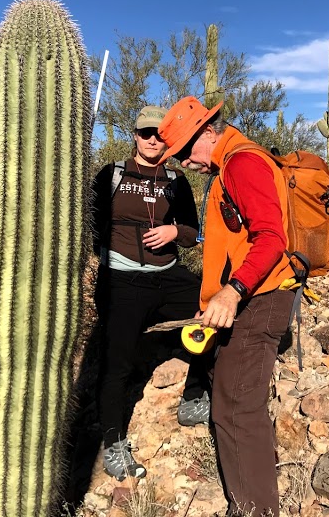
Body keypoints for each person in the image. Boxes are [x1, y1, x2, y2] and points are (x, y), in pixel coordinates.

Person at [158, 97, 294, 517]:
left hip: (259, 299)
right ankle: (252, 489)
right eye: (175, 155)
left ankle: (255, 509)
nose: (182, 161)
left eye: (184, 150)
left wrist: (232, 291)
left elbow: (272, 237)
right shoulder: (228, 167)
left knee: (236, 408)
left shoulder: (241, 163)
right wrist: (217, 296)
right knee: (232, 395)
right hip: (249, 298)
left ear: (208, 132)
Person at [91, 105, 212, 481]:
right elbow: (87, 223)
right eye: (145, 133)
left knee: (213, 310)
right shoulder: (111, 175)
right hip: (122, 281)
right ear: (134, 136)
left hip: (168, 274)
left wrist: (174, 233)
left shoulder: (175, 180)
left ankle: (194, 397)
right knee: (117, 361)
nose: (152, 140)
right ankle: (112, 442)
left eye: (159, 134)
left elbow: (193, 232)